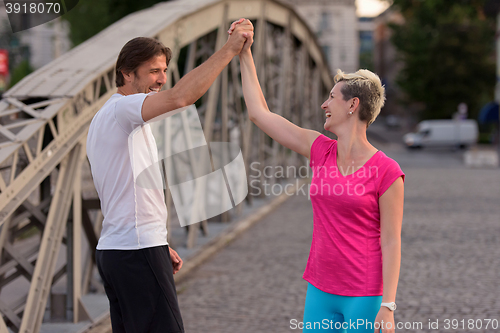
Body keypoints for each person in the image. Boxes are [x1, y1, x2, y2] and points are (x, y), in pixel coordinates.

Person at [231, 20, 404, 333]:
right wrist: (245, 55)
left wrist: (388, 306)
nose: (324, 104)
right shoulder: (319, 149)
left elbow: (391, 241)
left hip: (364, 295)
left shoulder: (387, 170)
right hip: (320, 288)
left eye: (332, 98)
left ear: (353, 105)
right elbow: (259, 114)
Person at [86, 19, 253, 333]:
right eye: (153, 71)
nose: (162, 79)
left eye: (164, 71)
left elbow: (127, 192)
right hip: (135, 253)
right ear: (126, 73)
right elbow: (180, 98)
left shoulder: (108, 118)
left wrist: (159, 243)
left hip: (120, 250)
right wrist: (229, 50)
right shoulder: (123, 111)